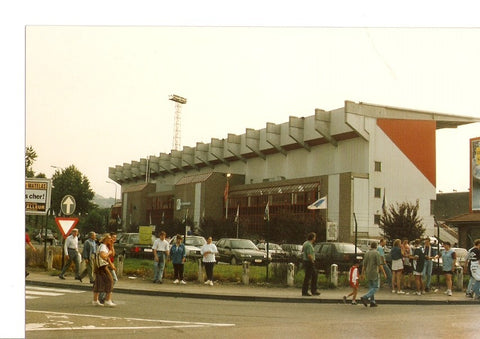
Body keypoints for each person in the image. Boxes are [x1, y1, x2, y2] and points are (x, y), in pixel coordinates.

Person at [360, 241, 386, 307]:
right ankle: (365, 297)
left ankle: (372, 301)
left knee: (371, 287)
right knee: (376, 287)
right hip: (374, 272)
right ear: (376, 246)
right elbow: (379, 264)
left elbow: (364, 265)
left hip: (368, 272)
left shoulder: (367, 253)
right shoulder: (376, 253)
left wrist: (362, 274)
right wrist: (384, 273)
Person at [92, 234, 116, 307]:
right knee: (110, 281)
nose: (111, 240)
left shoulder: (104, 246)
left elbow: (111, 255)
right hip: (102, 267)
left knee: (99, 282)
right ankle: (107, 300)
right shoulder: (103, 247)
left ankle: (95, 300)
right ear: (105, 239)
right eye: (109, 239)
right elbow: (103, 256)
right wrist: (109, 253)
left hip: (100, 267)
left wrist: (111, 246)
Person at [99, 232, 117, 303]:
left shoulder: (110, 245)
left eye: (115, 238)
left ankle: (104, 297)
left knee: (109, 281)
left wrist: (112, 245)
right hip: (106, 264)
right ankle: (104, 297)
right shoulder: (105, 245)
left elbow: (113, 254)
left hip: (109, 264)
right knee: (113, 280)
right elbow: (107, 256)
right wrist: (111, 264)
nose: (114, 239)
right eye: (113, 237)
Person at [301, 232, 320, 296]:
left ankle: (313, 290)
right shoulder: (309, 245)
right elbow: (309, 255)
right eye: (314, 237)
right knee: (308, 277)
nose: (315, 238)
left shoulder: (305, 243)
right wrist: (312, 261)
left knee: (314, 275)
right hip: (309, 262)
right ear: (313, 238)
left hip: (306, 261)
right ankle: (305, 291)